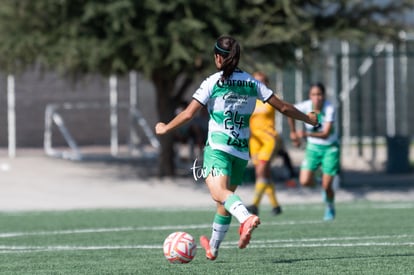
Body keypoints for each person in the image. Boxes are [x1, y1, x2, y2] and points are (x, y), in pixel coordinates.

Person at [155, 35, 319, 261]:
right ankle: (213, 248)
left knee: (218, 193)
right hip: (241, 151)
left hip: (218, 147)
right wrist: (308, 119)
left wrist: (165, 128)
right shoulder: (252, 82)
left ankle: (245, 217)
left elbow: (188, 114)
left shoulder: (212, 82)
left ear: (218, 58)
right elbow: (283, 107)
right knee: (224, 201)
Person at [246, 71, 296, 217]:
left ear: (267, 84)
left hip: (269, 140)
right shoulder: (249, 100)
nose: (258, 84)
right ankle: (276, 205)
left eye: (261, 81)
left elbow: (287, 110)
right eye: (255, 81)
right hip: (254, 142)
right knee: (263, 174)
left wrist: (292, 131)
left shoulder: (271, 98)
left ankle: (254, 204)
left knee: (261, 172)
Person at [287, 82, 340, 221]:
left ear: (324, 95)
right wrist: (293, 133)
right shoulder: (305, 106)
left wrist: (304, 135)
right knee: (304, 182)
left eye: (320, 94)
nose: (317, 98)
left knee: (328, 185)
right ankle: (319, 180)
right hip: (312, 149)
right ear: (310, 96)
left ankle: (329, 206)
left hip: (330, 148)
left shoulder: (330, 108)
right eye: (314, 94)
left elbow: (326, 134)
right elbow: (289, 112)